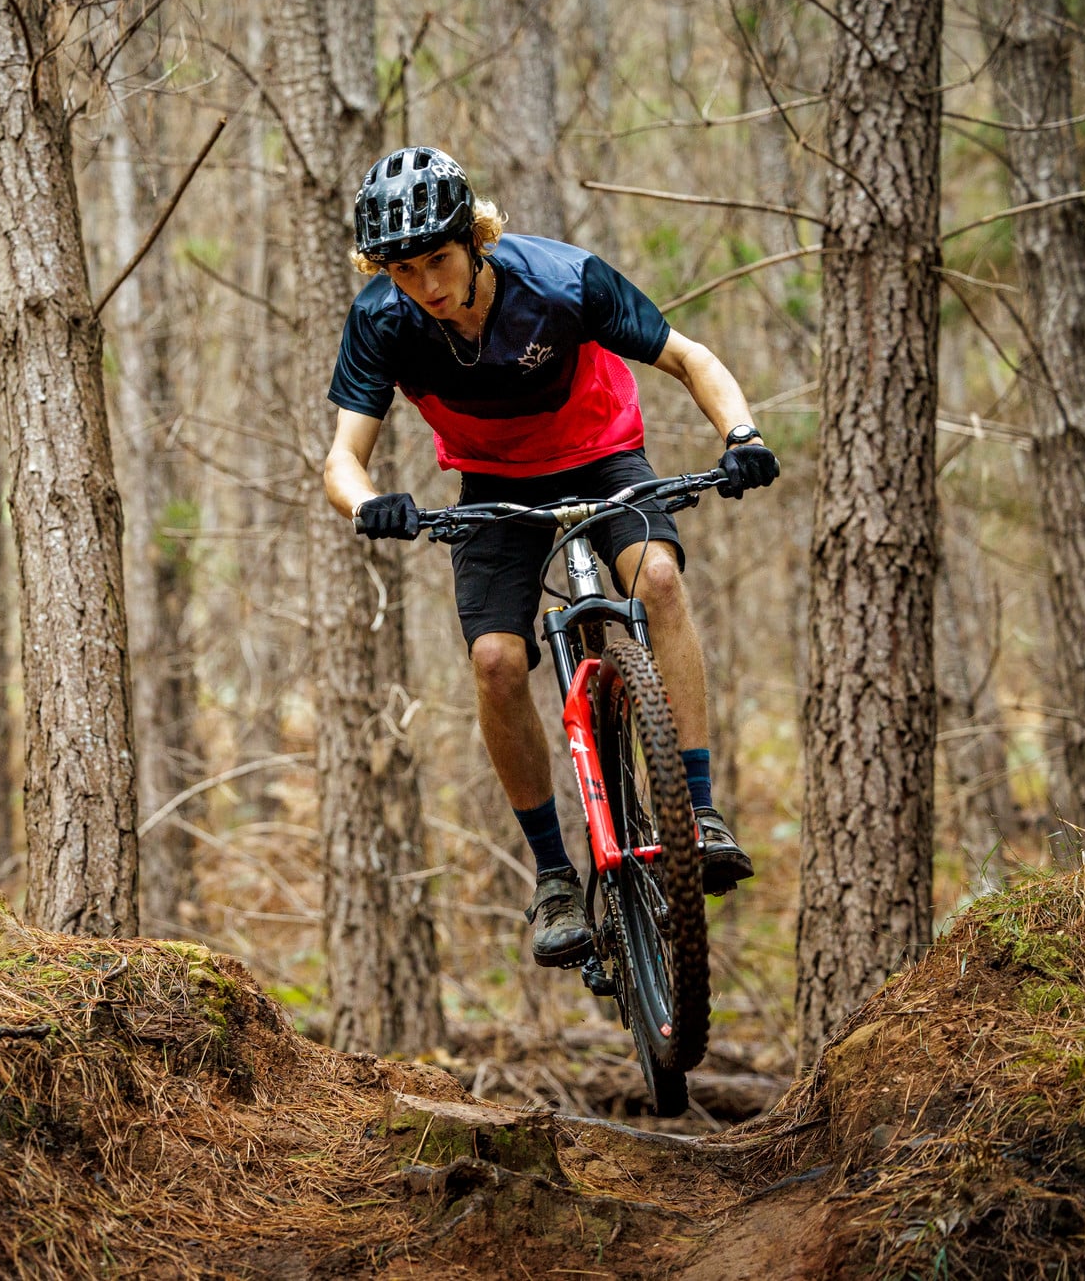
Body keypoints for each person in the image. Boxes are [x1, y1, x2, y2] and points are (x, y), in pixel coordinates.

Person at [322, 146, 779, 968]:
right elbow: (341, 459)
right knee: (497, 661)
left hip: (602, 456)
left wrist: (739, 433)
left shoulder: (564, 281)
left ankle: (700, 813)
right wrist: (368, 503)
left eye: (438, 259)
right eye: (403, 268)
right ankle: (555, 878)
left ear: (475, 241)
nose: (425, 283)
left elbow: (689, 357)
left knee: (660, 578)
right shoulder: (381, 322)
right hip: (495, 485)